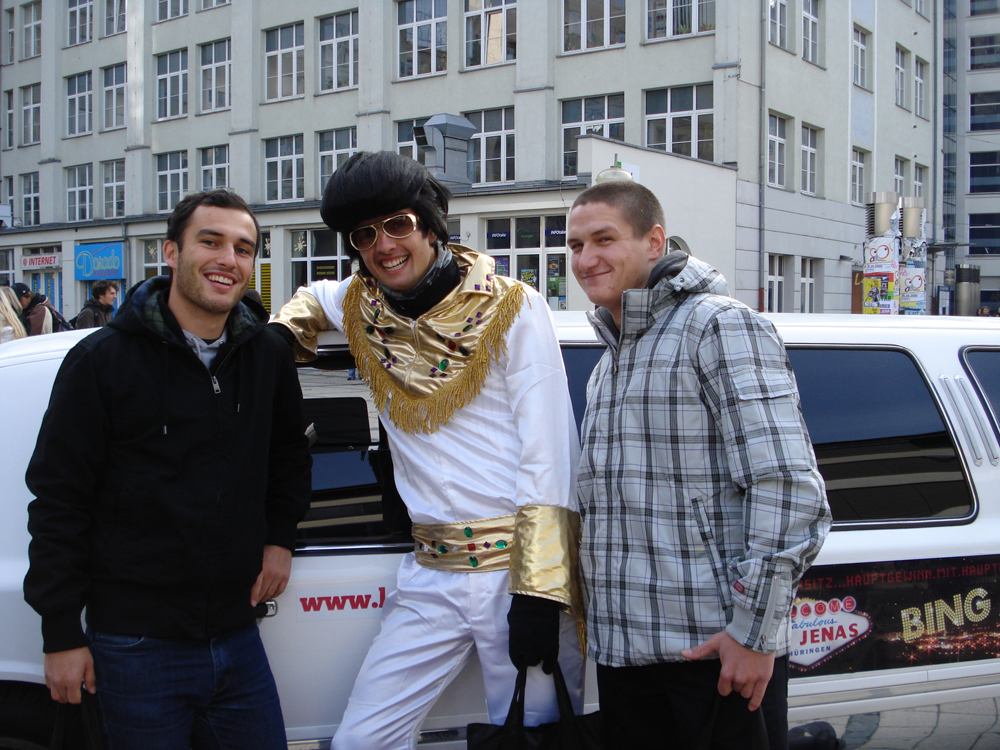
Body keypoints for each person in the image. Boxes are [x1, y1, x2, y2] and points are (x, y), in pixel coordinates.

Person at [271, 151, 584, 750]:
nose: (384, 246)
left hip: (514, 575)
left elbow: (551, 451)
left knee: (535, 738)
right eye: (364, 235)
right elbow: (312, 298)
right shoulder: (362, 304)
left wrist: (540, 592)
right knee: (362, 740)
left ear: (431, 226)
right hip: (429, 574)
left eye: (398, 224)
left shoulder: (512, 305)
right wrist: (278, 335)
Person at [23, 189, 312, 750]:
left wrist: (280, 537)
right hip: (135, 646)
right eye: (211, 241)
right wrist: (60, 631)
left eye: (243, 248)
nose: (228, 259)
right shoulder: (102, 361)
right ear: (171, 252)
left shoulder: (267, 355)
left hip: (238, 634)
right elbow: (58, 500)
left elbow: (289, 455)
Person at [567, 180, 831, 750]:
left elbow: (786, 486)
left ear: (654, 241)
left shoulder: (718, 326)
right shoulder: (610, 361)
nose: (585, 260)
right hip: (625, 657)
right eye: (575, 245)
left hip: (715, 655)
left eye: (604, 240)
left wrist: (753, 634)